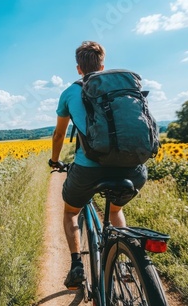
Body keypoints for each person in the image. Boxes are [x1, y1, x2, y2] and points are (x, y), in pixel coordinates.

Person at [48, 41, 148, 290]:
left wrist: (55, 160)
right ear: (103, 65)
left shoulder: (70, 92)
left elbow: (59, 135)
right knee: (114, 211)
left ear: (78, 69)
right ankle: (124, 262)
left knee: (71, 212)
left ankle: (76, 266)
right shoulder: (121, 89)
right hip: (133, 168)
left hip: (88, 168)